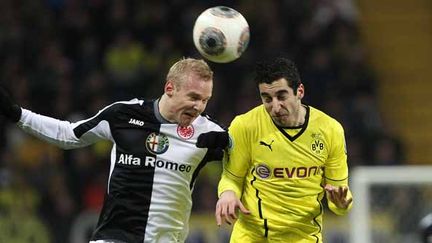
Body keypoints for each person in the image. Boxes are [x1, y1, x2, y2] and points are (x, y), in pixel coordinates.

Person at [0, 57, 226, 243]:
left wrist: (229, 192)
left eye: (205, 100)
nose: (199, 107)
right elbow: (67, 134)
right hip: (114, 238)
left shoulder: (208, 132)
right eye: (194, 97)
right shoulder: (122, 115)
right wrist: (16, 113)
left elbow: (248, 154)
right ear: (169, 88)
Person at [214, 57, 353, 242]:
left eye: (281, 96)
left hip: (304, 237)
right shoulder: (245, 126)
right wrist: (228, 194)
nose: (275, 107)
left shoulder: (330, 130)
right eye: (267, 99)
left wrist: (341, 203)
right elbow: (231, 178)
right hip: (253, 236)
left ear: (299, 91)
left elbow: (340, 194)